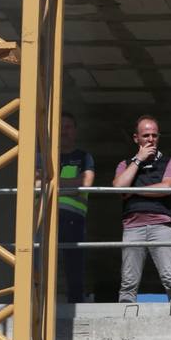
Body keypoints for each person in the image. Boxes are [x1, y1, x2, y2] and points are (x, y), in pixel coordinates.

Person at [112, 115, 171, 305]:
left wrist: (133, 191)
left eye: (155, 135)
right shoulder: (125, 163)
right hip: (132, 227)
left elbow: (166, 187)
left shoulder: (169, 161)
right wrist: (138, 161)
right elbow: (119, 188)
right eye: (146, 135)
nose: (151, 139)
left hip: (161, 225)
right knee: (129, 282)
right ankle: (125, 319)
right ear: (136, 138)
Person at [55, 112, 95, 302]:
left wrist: (53, 183)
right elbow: (37, 184)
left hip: (74, 220)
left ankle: (75, 303)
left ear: (75, 132)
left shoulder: (84, 157)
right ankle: (36, 304)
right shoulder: (44, 156)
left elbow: (85, 184)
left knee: (74, 266)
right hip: (45, 219)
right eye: (61, 126)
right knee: (39, 264)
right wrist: (72, 186)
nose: (64, 131)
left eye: (68, 127)